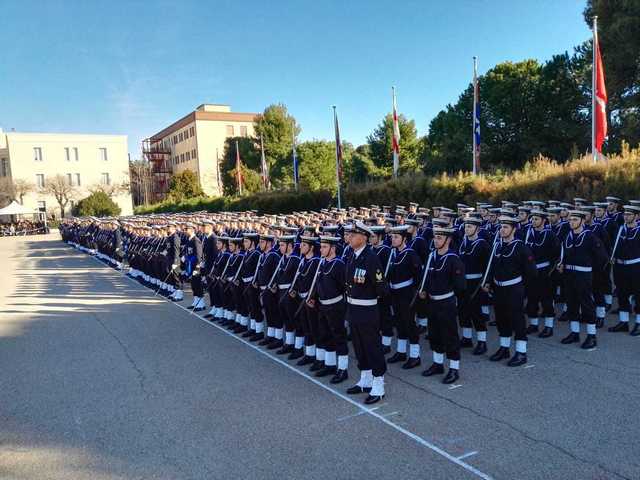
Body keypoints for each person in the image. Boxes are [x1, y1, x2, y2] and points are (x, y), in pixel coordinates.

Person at [483, 216, 537, 367]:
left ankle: (521, 352)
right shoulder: (498, 246)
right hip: (498, 288)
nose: (502, 230)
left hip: (514, 289)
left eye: (506, 227)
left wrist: (521, 288)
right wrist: (488, 282)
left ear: (514, 229)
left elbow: (532, 272)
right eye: (501, 227)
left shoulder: (521, 247)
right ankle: (504, 348)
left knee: (517, 320)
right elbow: (492, 266)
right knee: (501, 319)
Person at [344, 222, 388, 405]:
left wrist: (371, 302)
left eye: (353, 235)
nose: (349, 237)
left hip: (368, 310)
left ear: (363, 237)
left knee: (372, 346)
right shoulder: (352, 256)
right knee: (359, 346)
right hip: (354, 308)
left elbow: (382, 288)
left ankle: (379, 384)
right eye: (349, 234)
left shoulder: (371, 258)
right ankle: (365, 379)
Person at [419, 227, 466, 383]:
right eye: (435, 237)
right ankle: (438, 364)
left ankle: (454, 368)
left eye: (439, 238)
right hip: (432, 301)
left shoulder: (453, 259)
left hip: (446, 302)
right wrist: (424, 290)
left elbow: (460, 285)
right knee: (434, 334)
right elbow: (426, 275)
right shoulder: (432, 256)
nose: (436, 240)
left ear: (448, 240)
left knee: (450, 335)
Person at [558, 211, 608, 349]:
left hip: (583, 275)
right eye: (570, 220)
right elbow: (562, 253)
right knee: (572, 303)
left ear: (582, 221)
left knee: (586, 304)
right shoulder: (567, 236)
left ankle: (592, 336)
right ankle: (575, 333)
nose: (571, 222)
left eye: (575, 219)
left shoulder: (591, 237)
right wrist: (561, 263)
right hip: (569, 274)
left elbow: (602, 257)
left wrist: (591, 270)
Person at [308, 235, 349, 383]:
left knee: (339, 337)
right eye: (321, 246)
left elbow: (345, 287)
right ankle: (330, 365)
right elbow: (319, 282)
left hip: (335, 305)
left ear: (332, 248)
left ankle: (343, 369)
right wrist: (314, 297)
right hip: (322, 305)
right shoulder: (322, 262)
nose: (321, 249)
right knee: (325, 335)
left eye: (324, 247)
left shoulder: (339, 264)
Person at [386, 225, 423, 369]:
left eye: (396, 237)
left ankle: (415, 356)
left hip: (407, 294)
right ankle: (401, 352)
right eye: (392, 237)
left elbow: (418, 276)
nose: (393, 239)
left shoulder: (410, 254)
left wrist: (415, 293)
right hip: (395, 293)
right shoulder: (393, 253)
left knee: (409, 324)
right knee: (400, 323)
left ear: (404, 238)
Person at [458, 217, 491, 353]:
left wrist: (486, 282)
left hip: (476, 283)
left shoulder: (483, 244)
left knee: (476, 313)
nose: (467, 229)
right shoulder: (463, 242)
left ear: (477, 229)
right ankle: (467, 338)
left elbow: (488, 266)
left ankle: (482, 342)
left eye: (470, 227)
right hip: (463, 282)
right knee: (463, 311)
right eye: (466, 227)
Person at [609, 205, 640, 335]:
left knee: (639, 295)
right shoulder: (621, 229)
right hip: (620, 266)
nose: (626, 217)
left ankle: (638, 323)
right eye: (625, 214)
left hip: (636, 266)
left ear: (636, 216)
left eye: (629, 214)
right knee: (622, 294)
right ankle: (623, 322)